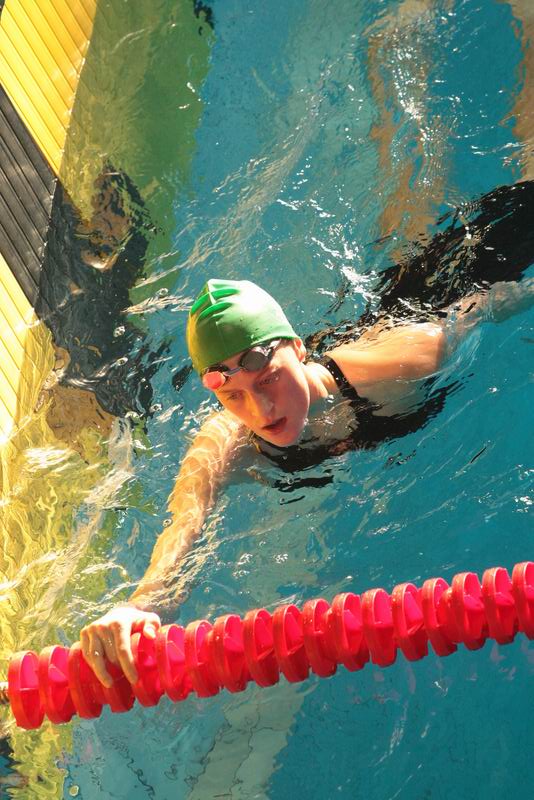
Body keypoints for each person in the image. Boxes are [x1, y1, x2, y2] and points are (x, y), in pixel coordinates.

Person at [80, 268, 534, 688]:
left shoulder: (407, 359)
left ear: (298, 349)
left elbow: (486, 305)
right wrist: (139, 604)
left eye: (269, 379)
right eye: (234, 396)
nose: (261, 410)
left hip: (438, 286)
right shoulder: (224, 444)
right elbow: (186, 521)